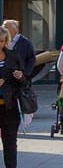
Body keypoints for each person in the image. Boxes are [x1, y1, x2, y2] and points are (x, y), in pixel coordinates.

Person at [0, 26, 27, 168]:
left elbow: (23, 81)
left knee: (10, 142)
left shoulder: (13, 56)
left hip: (9, 106)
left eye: (1, 41)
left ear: (6, 42)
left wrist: (20, 76)